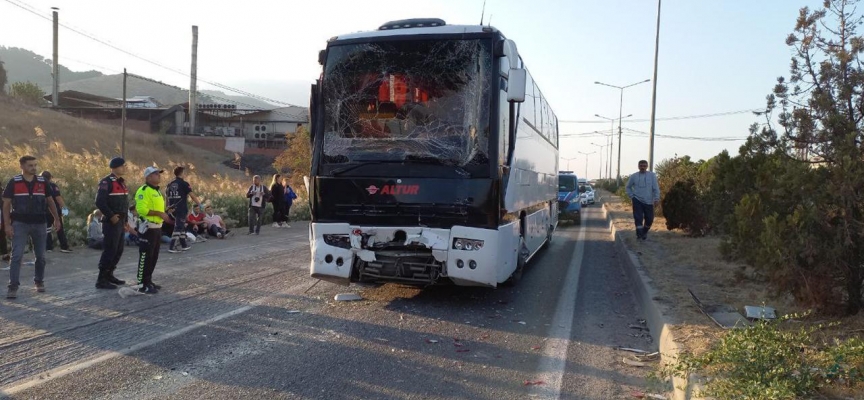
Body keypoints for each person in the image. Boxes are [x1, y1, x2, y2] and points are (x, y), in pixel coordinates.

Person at [2, 155, 61, 299]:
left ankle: (39, 281)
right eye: (30, 165)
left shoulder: (42, 181)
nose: (34, 168)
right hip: (20, 223)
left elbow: (50, 201)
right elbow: (6, 204)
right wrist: (7, 225)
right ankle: (13, 286)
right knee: (16, 256)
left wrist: (56, 219)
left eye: (35, 165)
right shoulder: (14, 182)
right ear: (21, 166)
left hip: (40, 223)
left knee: (41, 256)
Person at [94, 157, 130, 289]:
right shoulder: (106, 182)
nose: (125, 168)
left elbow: (124, 204)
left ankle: (110, 274)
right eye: (123, 166)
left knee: (119, 250)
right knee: (110, 250)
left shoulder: (122, 183)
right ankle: (101, 279)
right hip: (111, 222)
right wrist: (111, 215)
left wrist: (125, 221)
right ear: (115, 167)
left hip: (120, 221)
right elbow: (99, 202)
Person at [135, 166, 171, 294]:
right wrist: (159, 213)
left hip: (157, 228)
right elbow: (141, 210)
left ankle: (148, 281)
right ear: (148, 177)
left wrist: (166, 213)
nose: (159, 176)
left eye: (159, 174)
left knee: (153, 256)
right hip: (148, 228)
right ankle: (141, 284)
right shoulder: (143, 190)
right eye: (156, 174)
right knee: (145, 256)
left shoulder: (157, 191)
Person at [165, 166, 202, 253]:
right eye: (184, 172)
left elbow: (166, 197)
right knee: (178, 227)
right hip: (181, 208)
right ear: (182, 173)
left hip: (172, 209)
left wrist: (167, 207)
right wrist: (200, 204)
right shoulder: (184, 184)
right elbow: (192, 196)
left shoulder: (169, 184)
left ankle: (183, 244)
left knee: (180, 225)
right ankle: (172, 246)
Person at [625, 160, 661, 241]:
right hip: (637, 200)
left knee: (649, 219)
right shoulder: (634, 176)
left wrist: (656, 198)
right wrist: (632, 196)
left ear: (647, 166)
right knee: (638, 218)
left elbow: (656, 188)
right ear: (638, 166)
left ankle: (644, 232)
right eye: (641, 166)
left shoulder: (652, 176)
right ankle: (639, 235)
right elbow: (628, 187)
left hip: (649, 201)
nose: (642, 167)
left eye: (644, 166)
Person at [41, 171, 72, 253]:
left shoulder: (39, 186)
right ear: (50, 177)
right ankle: (64, 246)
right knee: (59, 228)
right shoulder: (53, 186)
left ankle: (48, 247)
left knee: (47, 229)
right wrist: (65, 209)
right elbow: (58, 198)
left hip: (44, 210)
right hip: (55, 210)